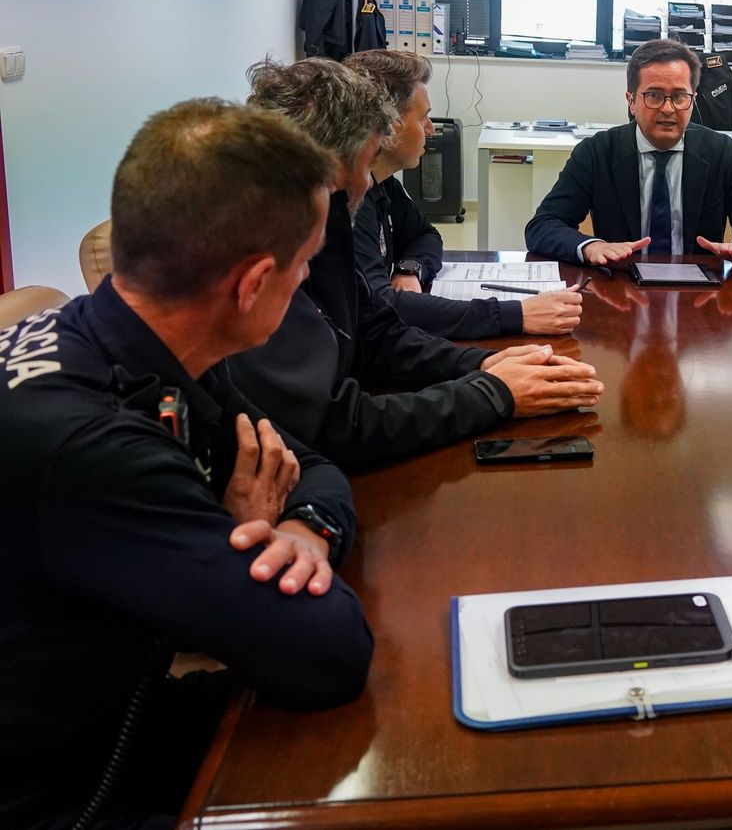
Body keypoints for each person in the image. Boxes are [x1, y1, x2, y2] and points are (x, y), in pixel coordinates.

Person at [0, 100, 373, 829]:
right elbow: (330, 654)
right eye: (303, 267)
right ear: (253, 284)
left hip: (103, 689)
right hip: (65, 785)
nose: (305, 285)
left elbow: (309, 465)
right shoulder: (92, 445)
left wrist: (300, 532)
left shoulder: (130, 340)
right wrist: (242, 532)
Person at [230, 59, 603, 470]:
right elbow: (334, 429)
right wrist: (494, 392)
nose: (370, 182)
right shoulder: (257, 268)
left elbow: (376, 334)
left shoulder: (322, 224)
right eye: (368, 159)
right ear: (333, 165)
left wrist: (481, 363)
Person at [343, 49, 583, 339]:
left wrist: (409, 269)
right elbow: (382, 309)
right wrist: (516, 314)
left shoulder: (382, 183)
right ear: (387, 126)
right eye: (423, 119)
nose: (431, 130)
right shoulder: (348, 201)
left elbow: (425, 236)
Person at [524, 38, 732, 267]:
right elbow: (543, 226)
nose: (668, 109)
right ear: (631, 101)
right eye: (654, 95)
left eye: (680, 96)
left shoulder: (722, 152)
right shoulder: (596, 152)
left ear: (693, 100)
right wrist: (591, 247)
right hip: (621, 285)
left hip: (699, 295)